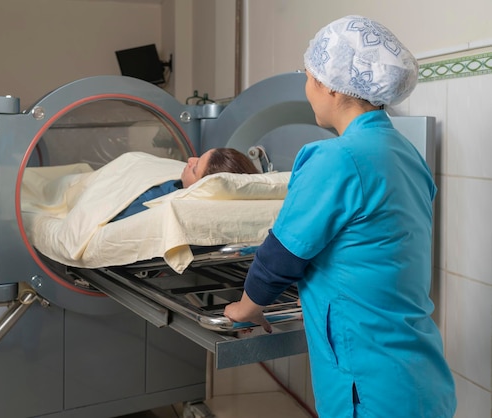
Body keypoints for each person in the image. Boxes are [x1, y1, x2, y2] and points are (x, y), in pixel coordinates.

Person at [223, 15, 457, 417]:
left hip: (368, 387)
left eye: (309, 76)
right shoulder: (406, 155)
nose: (307, 88)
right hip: (419, 376)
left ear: (331, 85)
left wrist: (246, 309)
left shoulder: (337, 158)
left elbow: (282, 255)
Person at [111, 147, 258, 221]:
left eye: (194, 169)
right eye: (199, 157)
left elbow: (112, 214)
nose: (190, 159)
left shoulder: (155, 200)